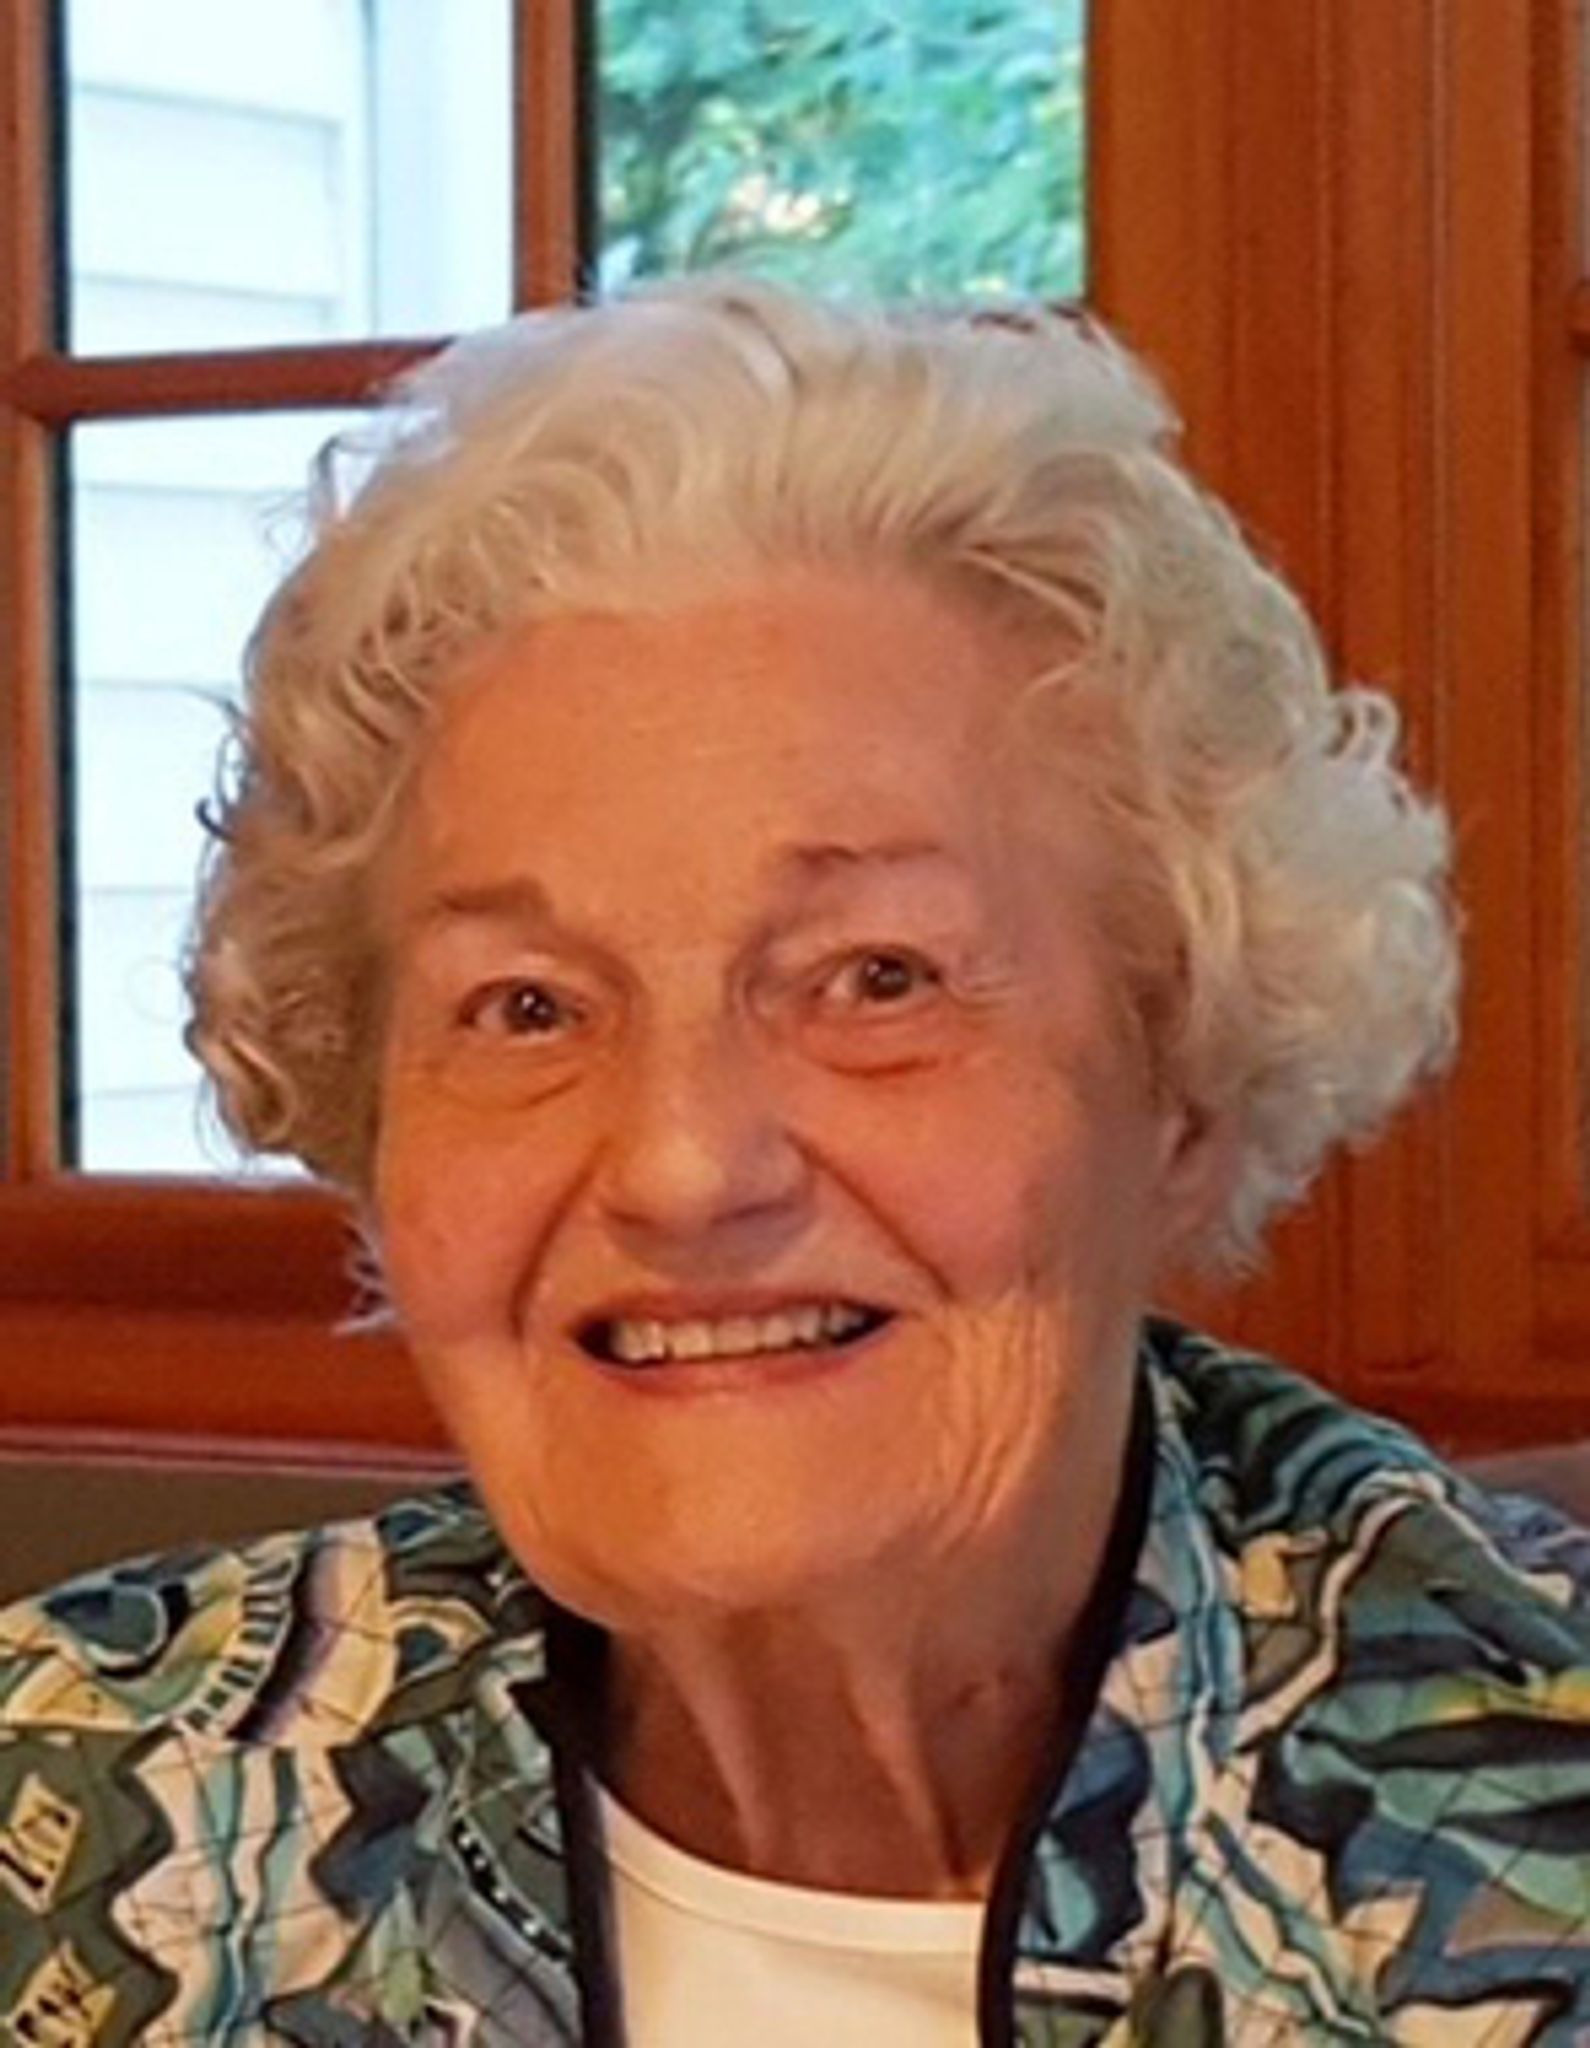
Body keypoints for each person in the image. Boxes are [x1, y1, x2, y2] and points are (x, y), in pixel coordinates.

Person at [1, 278, 1586, 2047]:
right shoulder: (82, 1816)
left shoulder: (1528, 1835)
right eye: (526, 1008)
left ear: (1187, 1094)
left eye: (874, 981)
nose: (682, 1166)